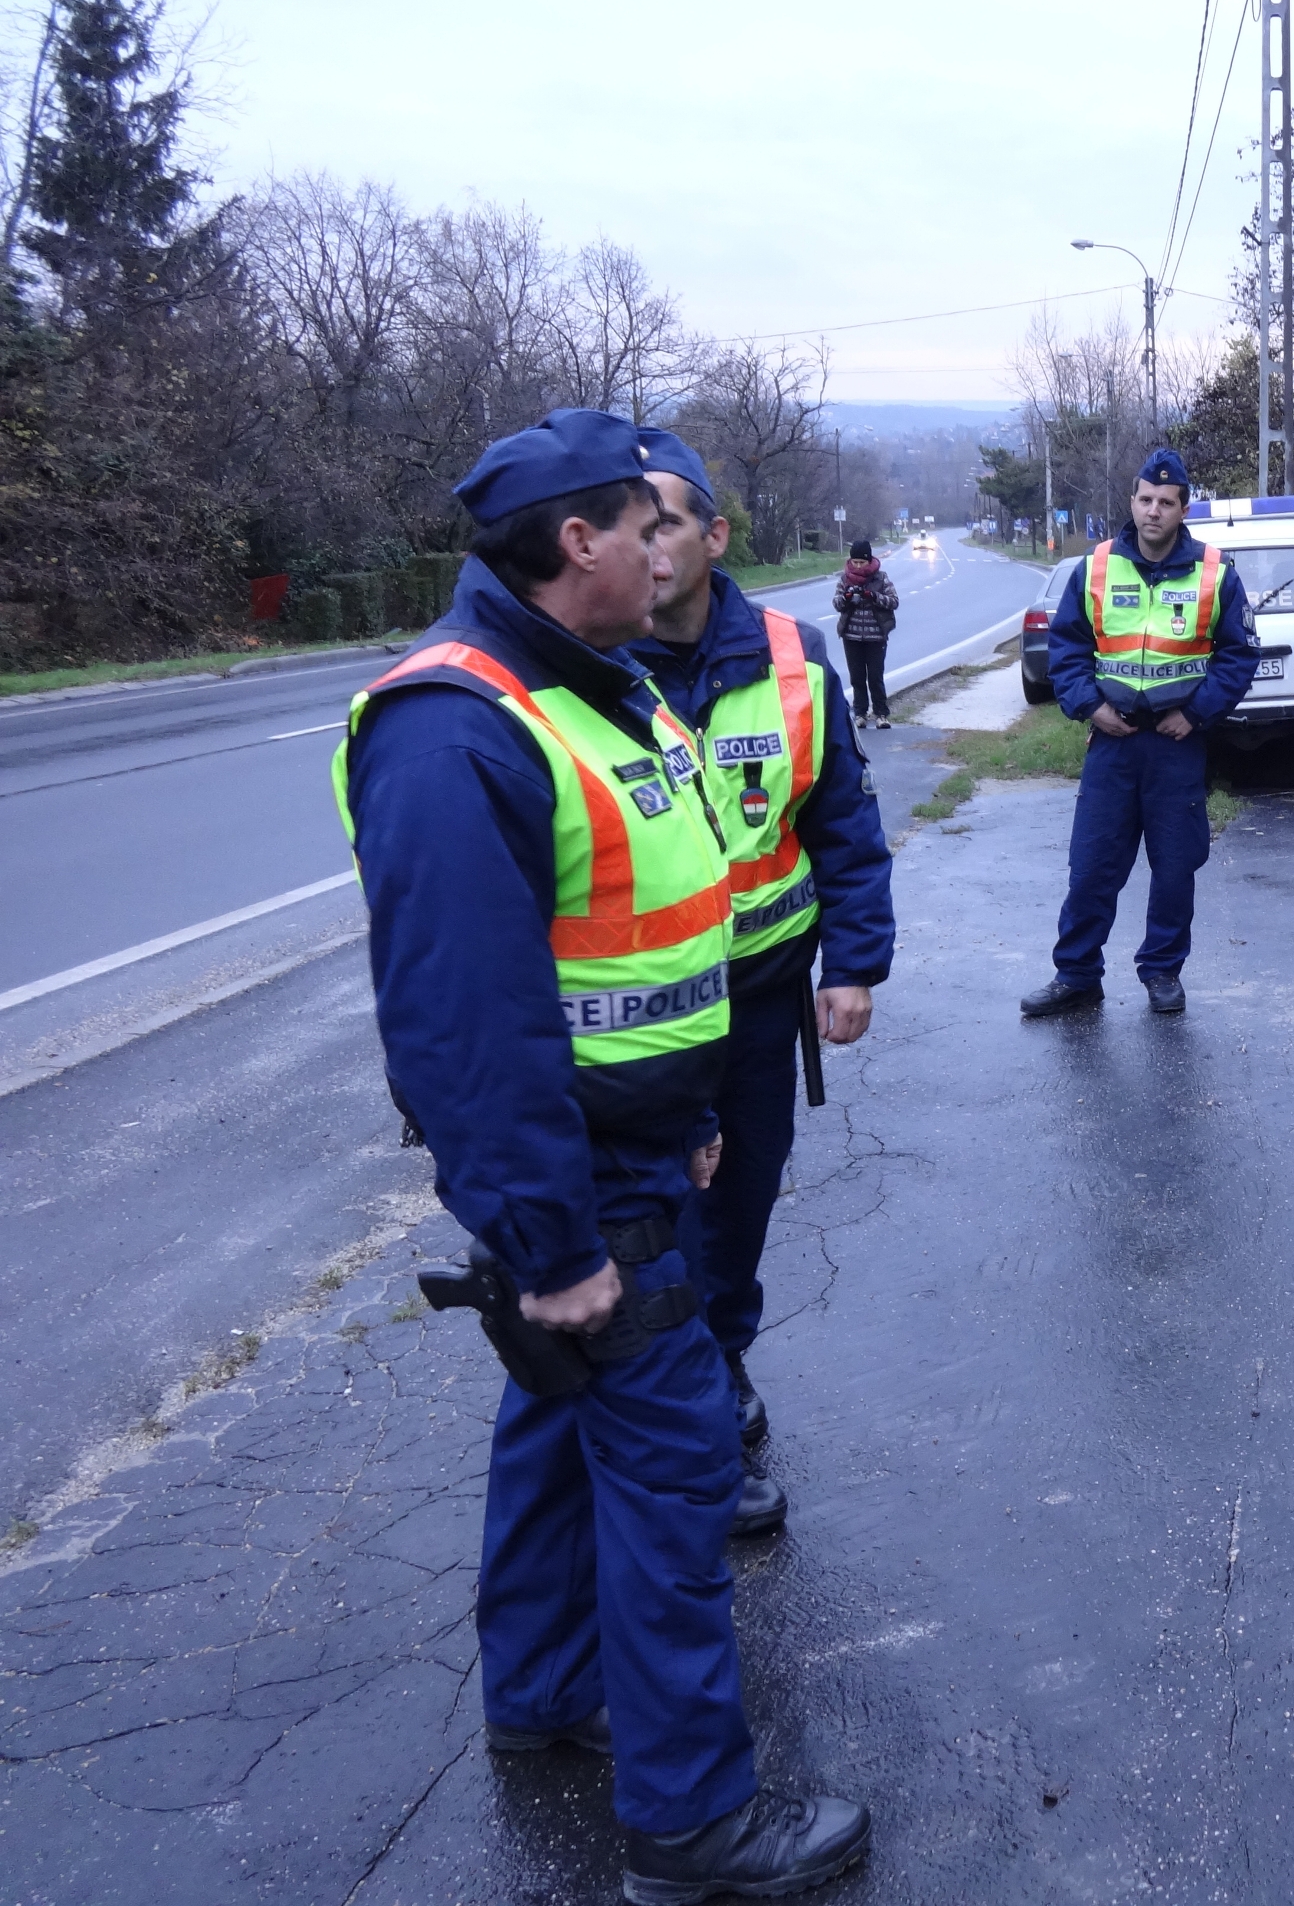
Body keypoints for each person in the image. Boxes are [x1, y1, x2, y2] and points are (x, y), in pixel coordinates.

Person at [333, 409, 871, 1898]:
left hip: (634, 1157)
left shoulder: (602, 687)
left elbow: (651, 937)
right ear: (579, 543)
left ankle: (543, 1691)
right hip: (579, 1192)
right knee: (676, 1467)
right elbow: (466, 1025)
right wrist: (553, 1242)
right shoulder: (459, 728)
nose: (670, 551)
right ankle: (692, 1822)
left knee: (552, 1430)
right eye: (646, 528)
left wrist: (689, 1118)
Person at [626, 429, 896, 1535]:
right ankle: (689, 1419)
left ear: (714, 536)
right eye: (625, 526)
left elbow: (843, 822)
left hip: (758, 1000)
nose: (644, 548)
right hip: (639, 1021)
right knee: (658, 1221)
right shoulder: (585, 664)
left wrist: (855, 963)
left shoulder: (793, 659)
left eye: (663, 523)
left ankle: (722, 1357)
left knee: (738, 1202)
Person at [1019, 448, 1259, 1019]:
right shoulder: (1096, 567)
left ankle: (1162, 972)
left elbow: (1239, 655)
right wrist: (1089, 706)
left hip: (1176, 744)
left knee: (1175, 868)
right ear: (1132, 502)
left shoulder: (1215, 573)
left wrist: (1196, 713)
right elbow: (1067, 648)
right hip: (1113, 741)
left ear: (1183, 510)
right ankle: (1077, 975)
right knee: (1091, 866)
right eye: (1146, 499)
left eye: (1166, 503)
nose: (1154, 511)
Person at [832, 541, 899, 727]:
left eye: (862, 562)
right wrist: (846, 598)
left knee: (875, 677)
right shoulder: (845, 579)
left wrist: (873, 596)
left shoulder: (881, 578)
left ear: (869, 560)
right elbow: (836, 604)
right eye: (855, 562)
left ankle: (881, 714)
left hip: (875, 637)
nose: (858, 566)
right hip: (851, 636)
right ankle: (860, 713)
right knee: (857, 677)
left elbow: (894, 601)